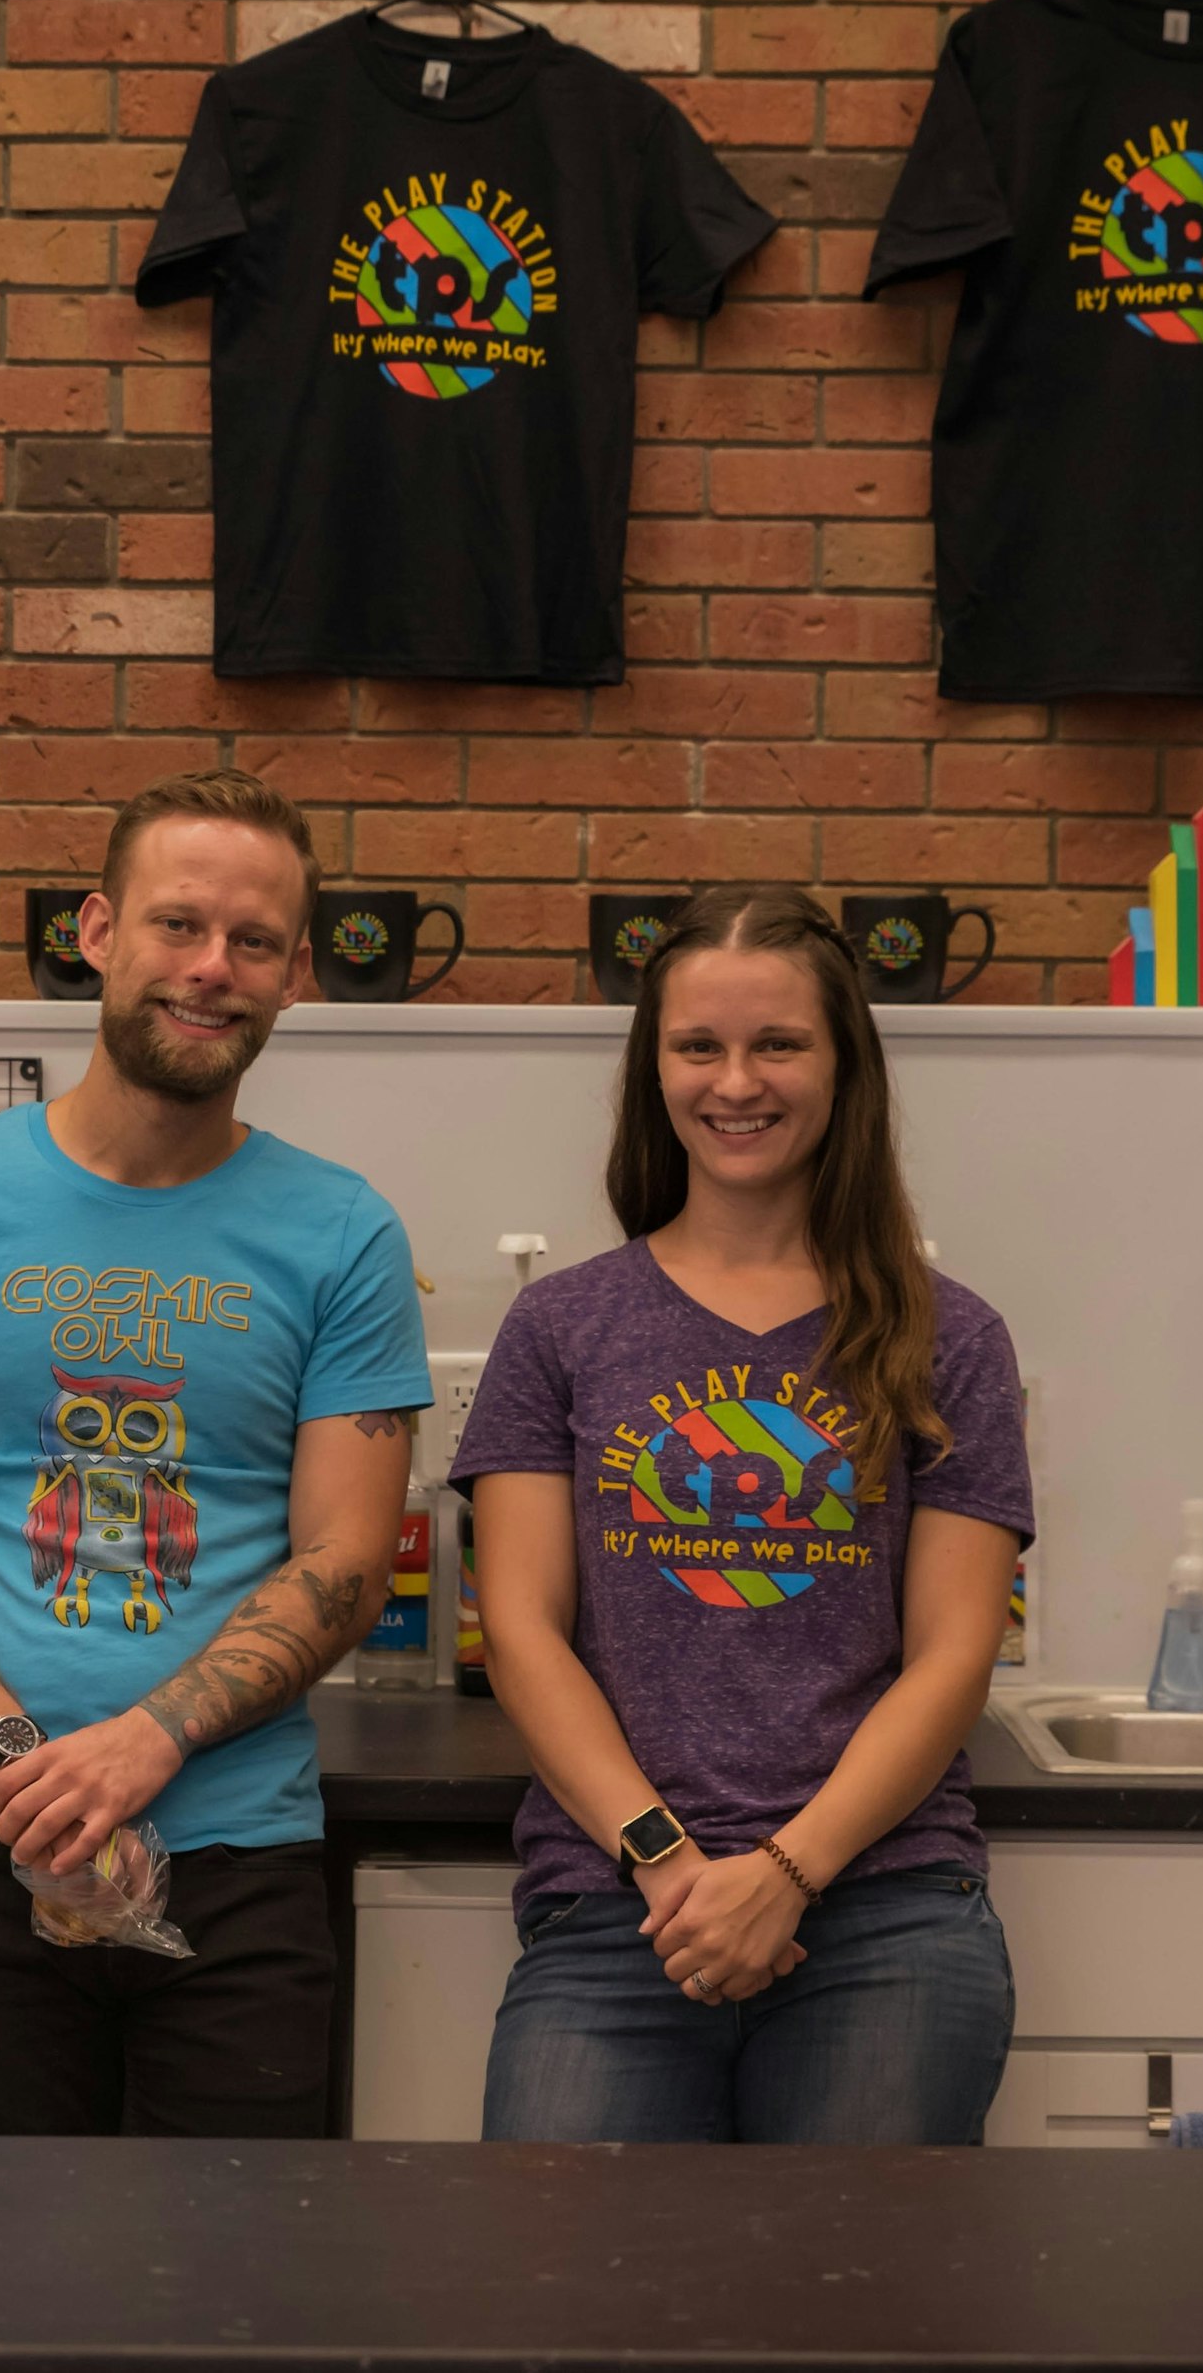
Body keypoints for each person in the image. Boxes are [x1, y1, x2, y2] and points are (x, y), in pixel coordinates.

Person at [0, 767, 430, 2137]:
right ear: (98, 929)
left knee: (229, 2305)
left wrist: (147, 1742)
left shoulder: (344, 1233)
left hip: (241, 1862)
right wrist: (21, 1764)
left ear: (295, 977)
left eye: (255, 941)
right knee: (1, 2293)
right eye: (178, 923)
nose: (212, 968)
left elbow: (345, 1555)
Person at [455, 881, 1032, 2144]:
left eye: (778, 1042)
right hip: (619, 1903)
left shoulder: (953, 1338)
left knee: (841, 2324)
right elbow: (522, 1628)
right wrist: (668, 1861)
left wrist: (786, 1872)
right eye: (698, 1045)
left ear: (843, 1067)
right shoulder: (561, 1328)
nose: (736, 1081)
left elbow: (952, 1657)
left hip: (885, 1907)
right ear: (651, 1066)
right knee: (562, 2310)